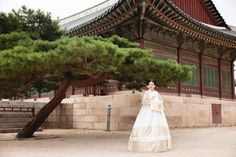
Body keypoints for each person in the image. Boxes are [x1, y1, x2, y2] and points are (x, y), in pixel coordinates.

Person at [128, 81, 171, 152]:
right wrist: (152, 102)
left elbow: (161, 100)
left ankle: (159, 145)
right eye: (149, 84)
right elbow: (144, 101)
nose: (151, 85)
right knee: (146, 123)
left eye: (152, 84)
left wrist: (158, 103)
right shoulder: (147, 93)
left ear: (154, 86)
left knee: (156, 124)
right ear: (148, 86)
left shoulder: (156, 93)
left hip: (156, 111)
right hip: (148, 110)